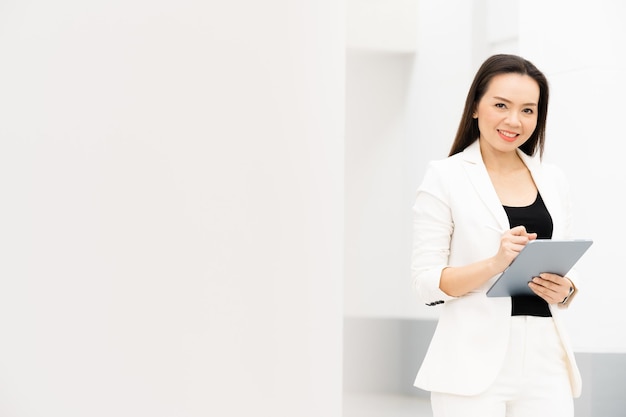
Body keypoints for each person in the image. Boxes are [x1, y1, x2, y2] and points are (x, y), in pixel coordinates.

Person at [411, 54, 582, 417]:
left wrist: (566, 289)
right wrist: (495, 262)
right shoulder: (445, 177)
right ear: (475, 107)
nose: (513, 121)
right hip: (470, 363)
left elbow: (566, 265)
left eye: (528, 110)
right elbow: (427, 283)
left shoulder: (553, 179)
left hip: (545, 360)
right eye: (501, 105)